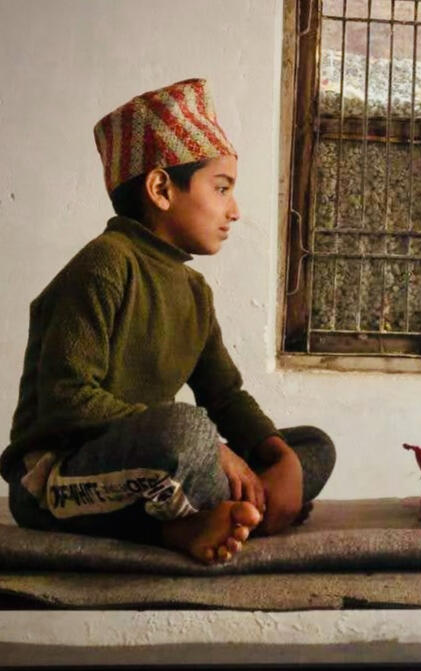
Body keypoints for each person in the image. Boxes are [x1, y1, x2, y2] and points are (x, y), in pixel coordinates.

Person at [1, 79, 335, 565]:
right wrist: (216, 452)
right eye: (221, 189)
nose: (234, 211)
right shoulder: (105, 264)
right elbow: (66, 399)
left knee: (311, 446)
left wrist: (275, 455)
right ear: (161, 188)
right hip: (55, 479)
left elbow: (225, 395)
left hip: (157, 470)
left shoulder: (194, 292)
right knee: (186, 434)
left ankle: (210, 514)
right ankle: (207, 516)